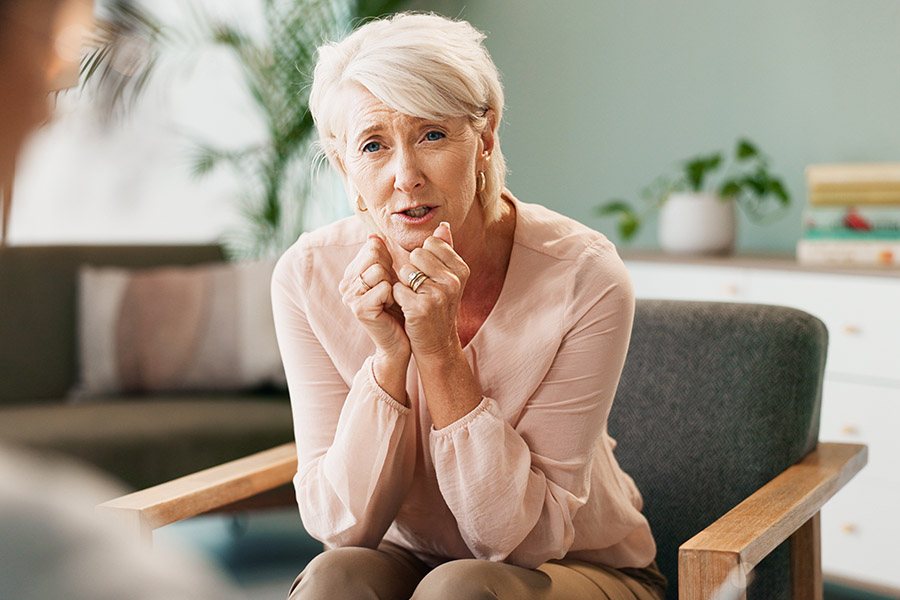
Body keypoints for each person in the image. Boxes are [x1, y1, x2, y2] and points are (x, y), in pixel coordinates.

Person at [271, 12, 666, 600]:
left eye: (432, 134)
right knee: (336, 579)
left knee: (459, 590)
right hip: (409, 561)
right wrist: (387, 361)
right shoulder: (307, 277)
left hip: (576, 566)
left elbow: (516, 541)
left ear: (483, 138)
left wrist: (438, 352)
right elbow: (343, 528)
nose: (405, 176)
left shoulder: (584, 276)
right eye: (373, 145)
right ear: (344, 163)